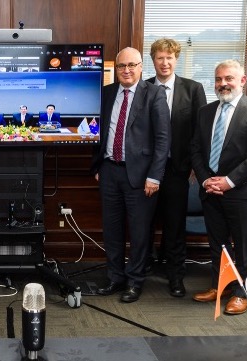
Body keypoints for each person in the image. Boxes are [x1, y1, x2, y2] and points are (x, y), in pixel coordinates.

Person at [190, 59, 247, 315]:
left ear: (242, 81)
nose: (223, 84)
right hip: (210, 191)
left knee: (244, 246)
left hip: (241, 192)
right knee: (218, 245)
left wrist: (228, 181)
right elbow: (195, 150)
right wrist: (206, 180)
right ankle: (220, 285)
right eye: (218, 79)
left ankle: (242, 292)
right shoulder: (206, 111)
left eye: (228, 79)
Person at [90, 47, 170, 303]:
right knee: (111, 230)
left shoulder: (154, 94)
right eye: (122, 66)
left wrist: (155, 177)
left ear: (140, 67)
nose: (126, 70)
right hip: (110, 171)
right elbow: (98, 131)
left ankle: (135, 282)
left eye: (131, 65)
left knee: (138, 233)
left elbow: (162, 139)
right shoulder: (107, 93)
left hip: (142, 176)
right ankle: (115, 278)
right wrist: (99, 166)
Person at [145, 38, 207, 298]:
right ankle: (143, 269)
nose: (165, 62)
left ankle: (175, 276)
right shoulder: (143, 87)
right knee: (144, 222)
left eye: (169, 57)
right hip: (146, 170)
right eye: (160, 57)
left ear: (176, 59)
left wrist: (196, 165)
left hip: (179, 169)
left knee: (174, 224)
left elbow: (201, 131)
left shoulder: (193, 89)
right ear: (153, 60)